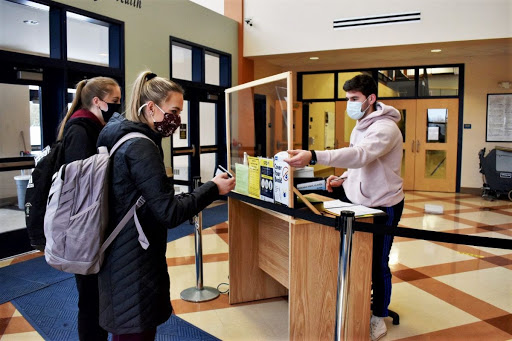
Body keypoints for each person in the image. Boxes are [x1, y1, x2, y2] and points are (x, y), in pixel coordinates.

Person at [96, 71, 235, 340]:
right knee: (136, 332)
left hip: (118, 250)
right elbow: (168, 213)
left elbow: (149, 199)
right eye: (174, 110)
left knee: (126, 329)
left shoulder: (115, 133)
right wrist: (213, 188)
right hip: (134, 257)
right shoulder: (141, 146)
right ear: (151, 108)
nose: (177, 119)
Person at [284, 74, 404, 341]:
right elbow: (357, 163)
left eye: (354, 99)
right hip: (357, 200)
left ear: (371, 99)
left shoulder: (386, 128)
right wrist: (344, 178)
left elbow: (362, 155)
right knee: (356, 257)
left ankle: (378, 316)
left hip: (383, 204)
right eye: (348, 99)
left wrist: (314, 156)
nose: (349, 104)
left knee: (377, 264)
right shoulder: (361, 125)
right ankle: (358, 303)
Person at [58, 76, 122, 341]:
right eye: (115, 101)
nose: (118, 106)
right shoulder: (81, 130)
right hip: (84, 229)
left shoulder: (92, 127)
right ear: (98, 101)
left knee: (96, 298)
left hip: (92, 226)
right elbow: (82, 186)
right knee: (90, 300)